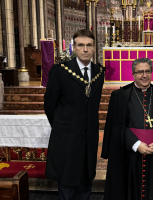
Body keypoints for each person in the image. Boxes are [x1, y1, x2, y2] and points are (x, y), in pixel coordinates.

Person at [101, 58, 153, 200]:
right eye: (140, 72)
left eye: (147, 71)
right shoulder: (119, 96)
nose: (144, 75)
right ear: (133, 74)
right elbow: (116, 126)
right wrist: (136, 144)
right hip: (130, 155)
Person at [44, 29, 105, 200]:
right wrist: (63, 127)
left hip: (89, 138)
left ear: (94, 48)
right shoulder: (60, 71)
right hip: (67, 138)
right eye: (81, 45)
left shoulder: (99, 73)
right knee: (68, 182)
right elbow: (50, 105)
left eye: (89, 45)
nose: (85, 49)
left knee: (86, 181)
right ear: (74, 47)